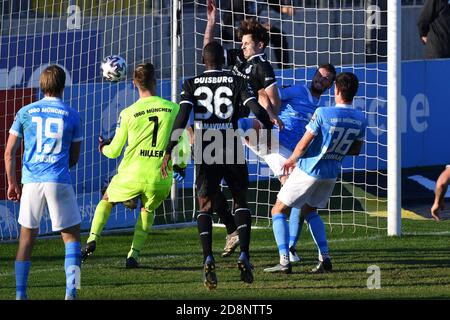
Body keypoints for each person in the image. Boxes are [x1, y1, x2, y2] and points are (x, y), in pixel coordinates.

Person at [161, 41, 274, 290]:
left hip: (205, 144)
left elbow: (182, 117)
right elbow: (254, 107)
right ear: (223, 61)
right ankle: (244, 254)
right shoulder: (235, 81)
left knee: (205, 204)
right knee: (240, 201)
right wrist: (267, 122)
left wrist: (169, 149)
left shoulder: (191, 83)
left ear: (203, 61)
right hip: (230, 142)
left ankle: (208, 258)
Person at [203, 0, 283, 257]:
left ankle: (258, 248)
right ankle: (233, 231)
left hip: (245, 130)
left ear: (260, 45)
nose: (242, 46)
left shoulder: (262, 66)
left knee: (235, 190)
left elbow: (274, 103)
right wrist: (212, 23)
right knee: (211, 189)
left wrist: (261, 105)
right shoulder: (240, 60)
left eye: (246, 43)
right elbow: (209, 51)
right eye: (242, 43)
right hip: (228, 130)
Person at [266, 72, 367, 274]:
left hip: (309, 169)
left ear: (336, 90)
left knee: (278, 210)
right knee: (310, 211)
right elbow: (356, 150)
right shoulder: (361, 118)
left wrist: (291, 160)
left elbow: (304, 144)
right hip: (331, 173)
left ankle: (284, 261)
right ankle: (325, 257)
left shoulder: (323, 113)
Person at [82, 63, 179, 269]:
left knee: (107, 199)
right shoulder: (174, 109)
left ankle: (92, 238)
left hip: (131, 173)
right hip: (159, 176)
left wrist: (103, 148)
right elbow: (183, 144)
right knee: (147, 210)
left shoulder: (128, 113)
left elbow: (115, 150)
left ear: (135, 84)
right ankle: (133, 255)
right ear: (155, 81)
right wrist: (182, 166)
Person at [238, 63, 336, 267]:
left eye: (326, 78)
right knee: (247, 126)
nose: (320, 79)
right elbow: (268, 95)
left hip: (293, 155)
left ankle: (291, 249)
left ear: (330, 84)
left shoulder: (321, 108)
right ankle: (289, 253)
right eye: (319, 75)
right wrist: (271, 115)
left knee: (298, 201)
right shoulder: (298, 90)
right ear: (313, 74)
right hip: (275, 142)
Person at [4, 65, 83, 300]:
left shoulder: (25, 112)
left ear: (42, 85)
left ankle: (20, 295)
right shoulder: (71, 114)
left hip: (30, 182)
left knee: (26, 241)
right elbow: (75, 157)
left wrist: (12, 183)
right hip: (58, 179)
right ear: (63, 85)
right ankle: (71, 293)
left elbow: (9, 153)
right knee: (72, 240)